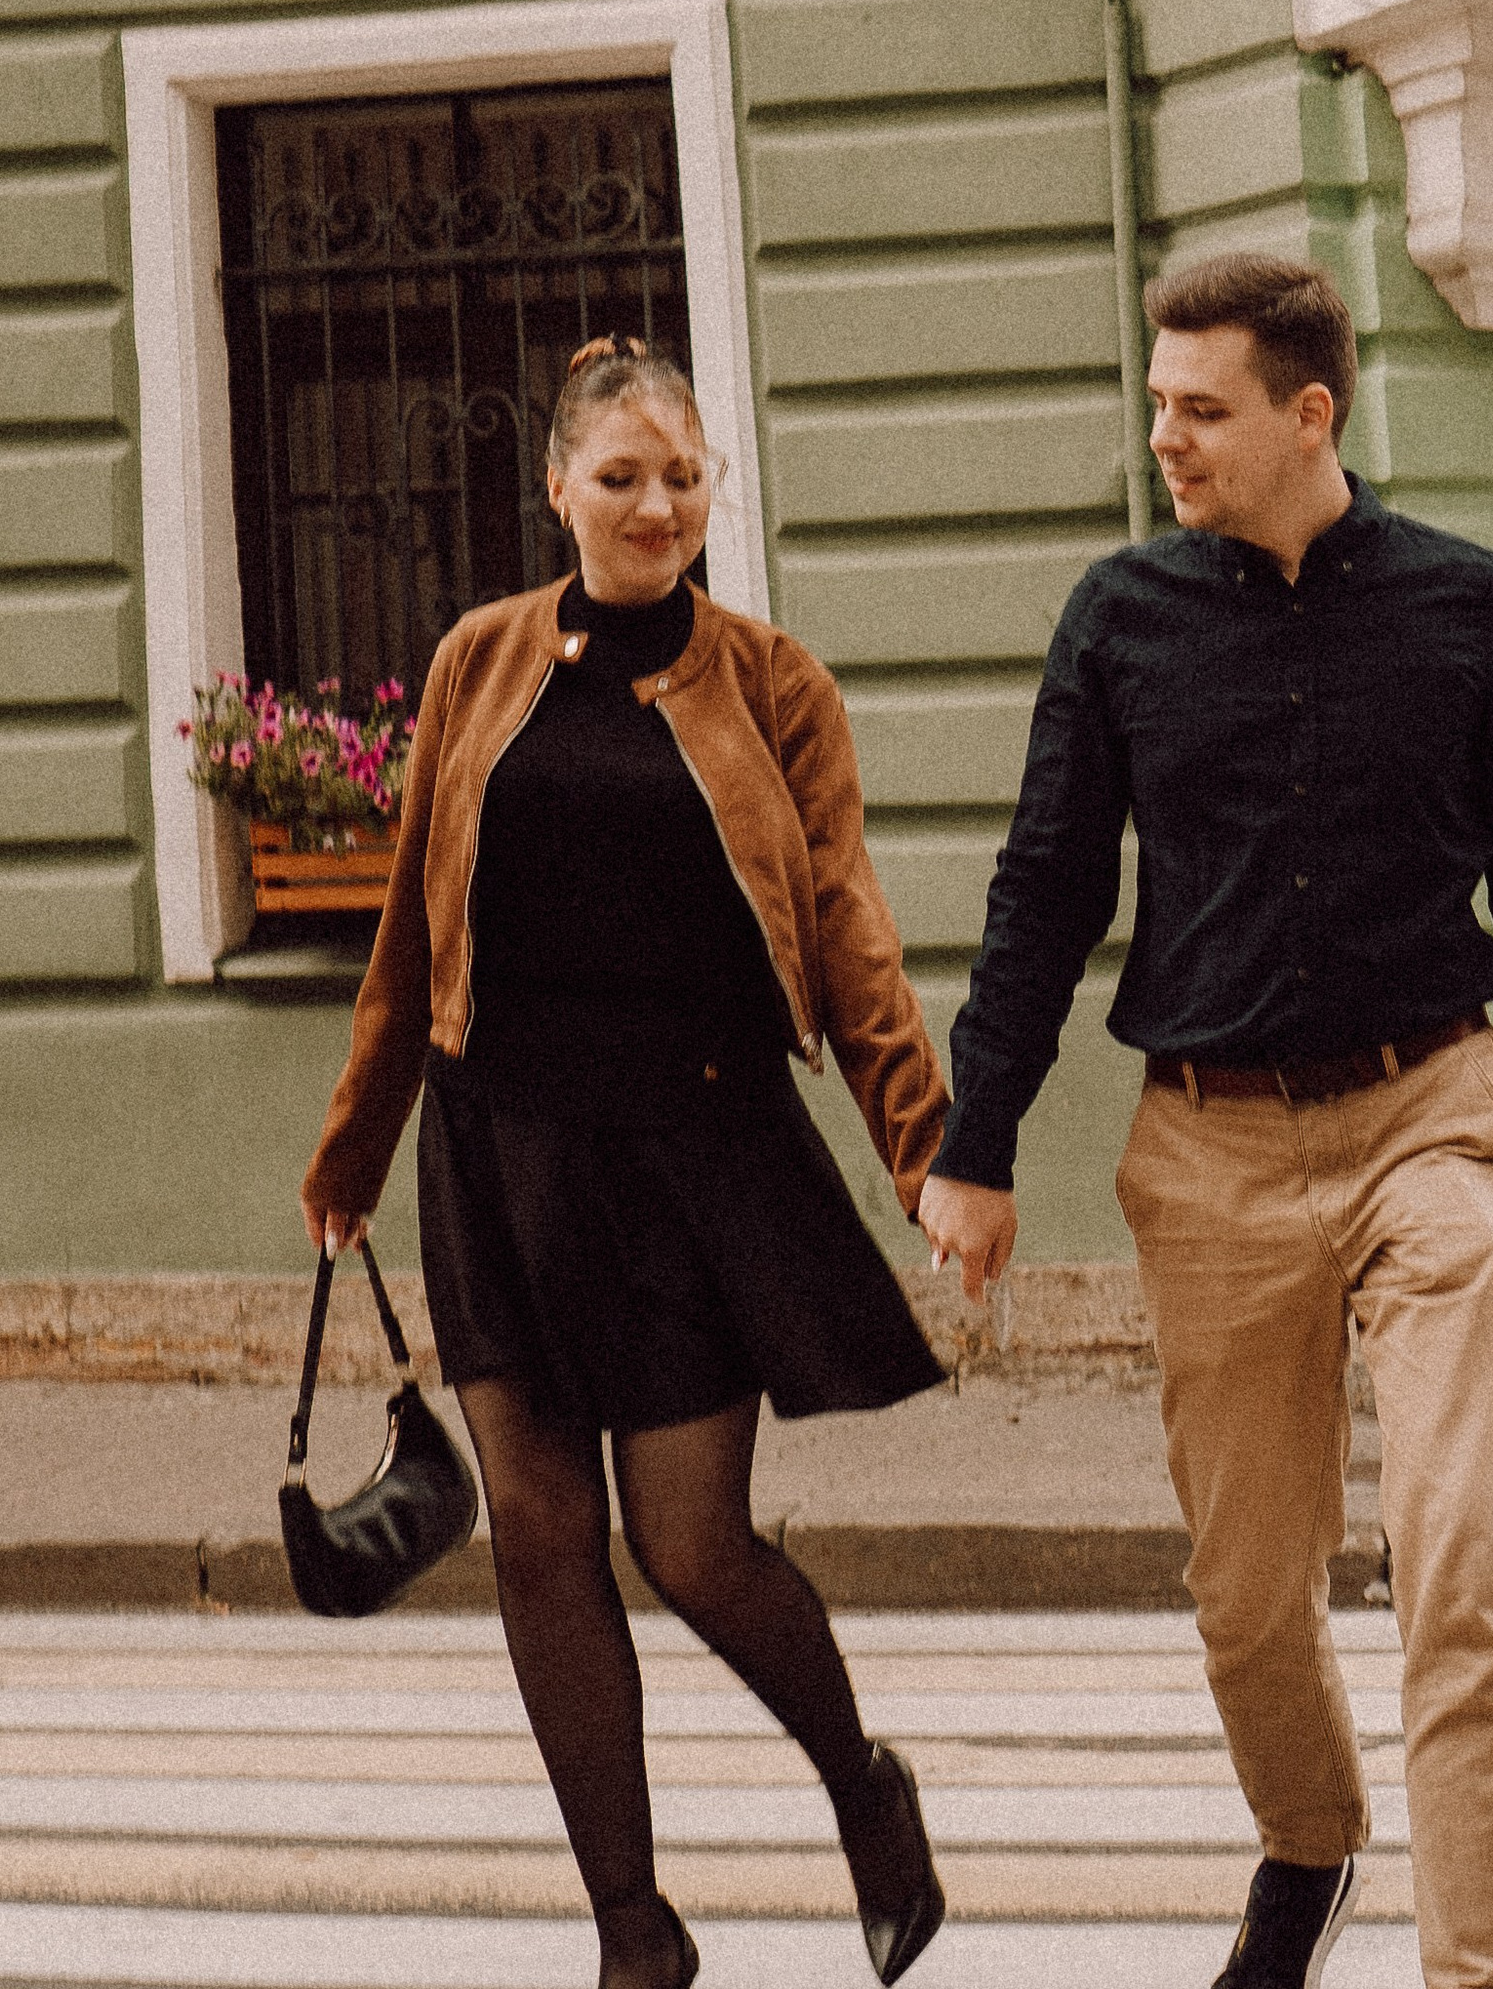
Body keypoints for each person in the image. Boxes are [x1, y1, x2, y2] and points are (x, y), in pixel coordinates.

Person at [917, 254, 1493, 1989]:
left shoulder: (1465, 607)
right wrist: (978, 1141)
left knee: (1472, 1582)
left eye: (1201, 409)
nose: (1164, 437)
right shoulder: (1120, 620)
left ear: (1308, 412)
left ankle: (1489, 1974)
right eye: (1160, 401)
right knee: (1252, 1601)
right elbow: (1044, 890)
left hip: (1436, 1120)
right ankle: (1313, 1838)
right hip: (1209, 1152)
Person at [301, 334, 950, 1989]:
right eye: (621, 477)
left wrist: (924, 1145)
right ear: (557, 490)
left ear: (712, 487)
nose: (656, 505)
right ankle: (634, 1933)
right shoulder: (478, 659)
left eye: (683, 476)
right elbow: (408, 923)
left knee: (692, 1547)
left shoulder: (774, 682)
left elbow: (850, 929)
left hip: (692, 1148)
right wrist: (355, 1140)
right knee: (534, 1532)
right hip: (498, 1141)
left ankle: (861, 1785)